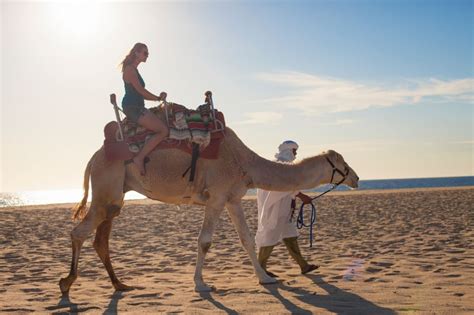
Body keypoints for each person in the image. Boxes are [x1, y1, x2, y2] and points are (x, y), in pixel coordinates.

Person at [255, 140, 319, 277]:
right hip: (275, 209)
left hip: (285, 210)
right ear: (288, 151)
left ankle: (304, 266)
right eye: (294, 151)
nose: (296, 154)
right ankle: (260, 269)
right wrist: (302, 196)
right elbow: (284, 187)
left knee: (290, 236)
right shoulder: (279, 166)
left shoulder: (279, 165)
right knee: (270, 238)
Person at [120, 42, 168, 175]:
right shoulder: (130, 69)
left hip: (137, 106)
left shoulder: (134, 69)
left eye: (148, 53)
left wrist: (158, 97)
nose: (147, 56)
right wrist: (158, 98)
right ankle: (139, 158)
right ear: (136, 53)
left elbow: (141, 93)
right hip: (133, 108)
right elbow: (141, 90)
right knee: (163, 130)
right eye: (145, 53)